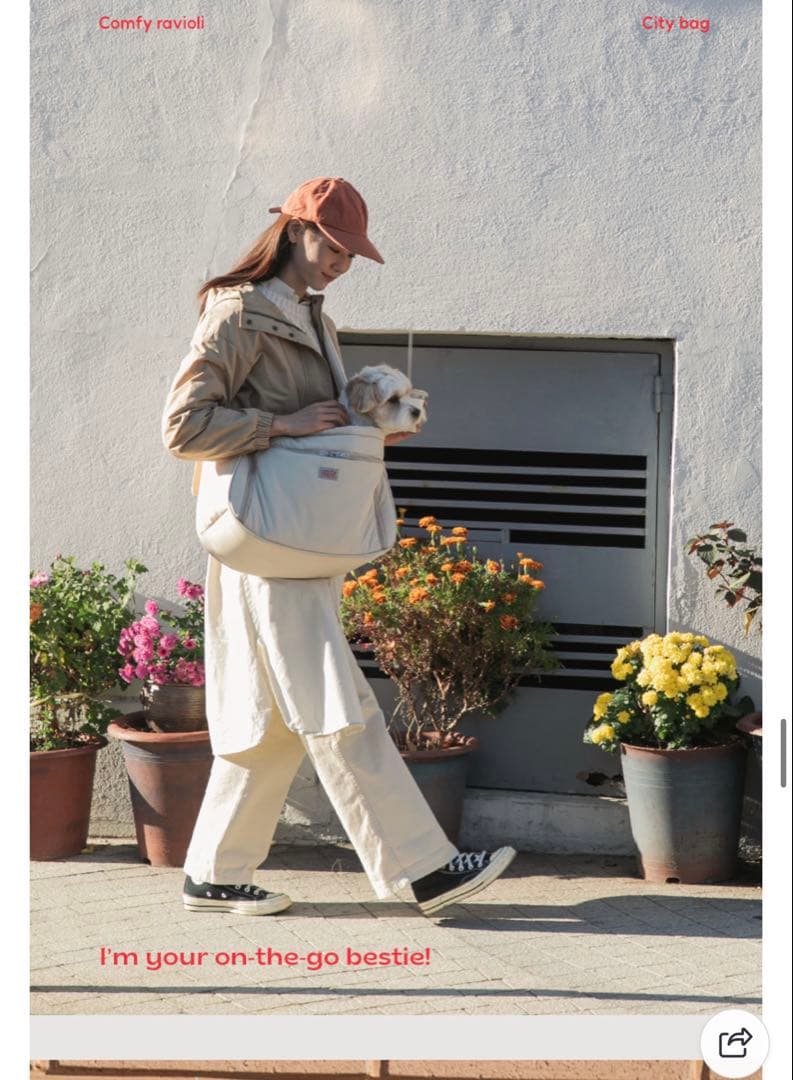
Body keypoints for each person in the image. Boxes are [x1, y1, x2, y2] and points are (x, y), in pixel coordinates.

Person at [162, 176, 516, 917]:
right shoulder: (237, 313)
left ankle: (213, 873)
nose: (340, 263)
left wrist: (374, 418)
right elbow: (184, 427)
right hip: (267, 540)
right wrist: (281, 426)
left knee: (268, 723)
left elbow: (319, 419)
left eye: (351, 254)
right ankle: (423, 870)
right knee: (338, 707)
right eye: (332, 245)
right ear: (295, 230)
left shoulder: (312, 316)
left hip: (292, 540)